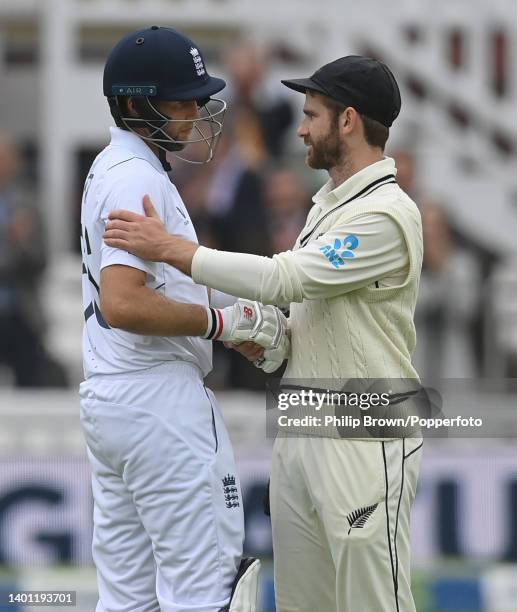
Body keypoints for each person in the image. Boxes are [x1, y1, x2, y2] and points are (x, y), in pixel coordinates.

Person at [104, 55, 424, 612]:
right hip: (302, 431)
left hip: (363, 432)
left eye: (312, 115)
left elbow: (287, 278)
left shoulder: (387, 213)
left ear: (347, 121)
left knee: (374, 603)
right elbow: (308, 318)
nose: (300, 128)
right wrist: (251, 331)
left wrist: (173, 250)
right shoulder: (328, 205)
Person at [79, 26, 289, 612]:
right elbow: (124, 303)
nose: (195, 111)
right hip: (159, 405)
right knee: (207, 594)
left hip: (114, 397)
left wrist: (222, 320)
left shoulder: (114, 165)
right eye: (180, 99)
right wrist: (222, 324)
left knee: (127, 601)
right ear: (132, 103)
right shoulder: (136, 175)